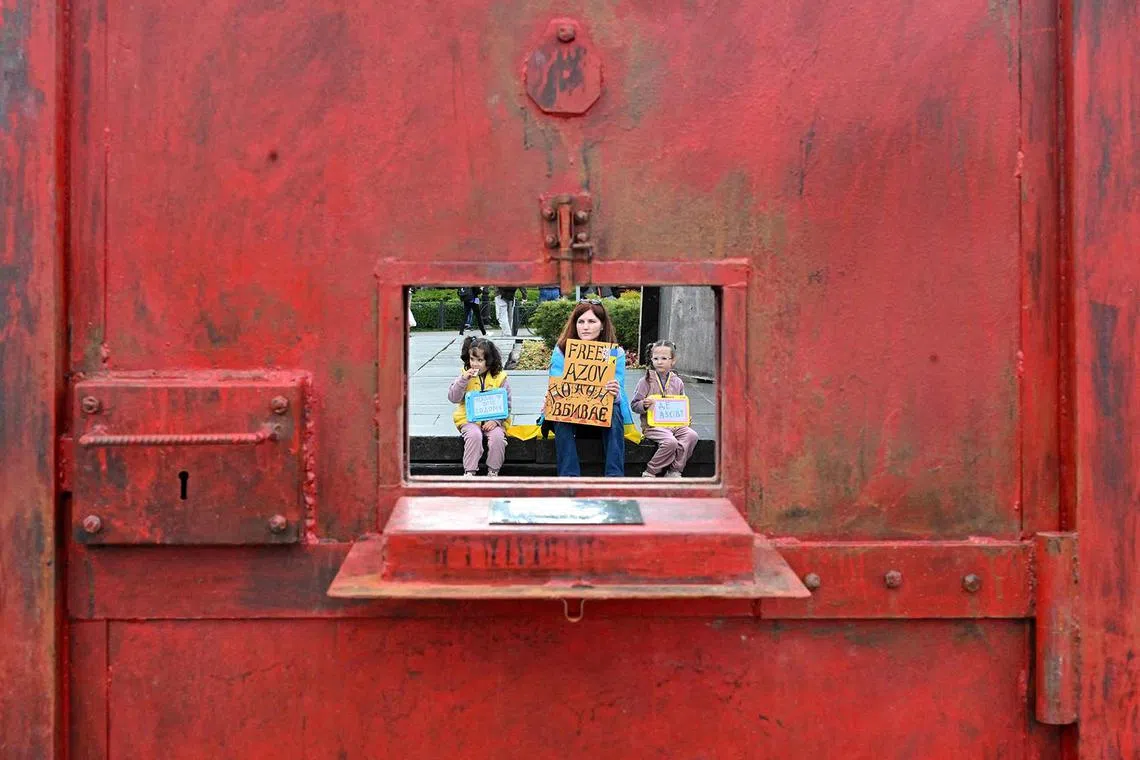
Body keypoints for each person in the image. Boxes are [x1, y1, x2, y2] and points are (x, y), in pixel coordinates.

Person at [544, 301, 641, 476]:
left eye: (592, 321)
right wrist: (554, 394)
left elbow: (619, 393)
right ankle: (569, 477)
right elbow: (556, 382)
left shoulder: (615, 353)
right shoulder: (561, 350)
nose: (585, 327)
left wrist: (615, 392)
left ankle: (615, 477)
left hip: (601, 416)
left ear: (602, 325)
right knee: (560, 414)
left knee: (615, 409)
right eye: (580, 322)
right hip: (570, 415)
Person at [630, 340, 699, 478]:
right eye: (656, 358)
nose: (659, 362)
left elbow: (682, 403)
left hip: (675, 425)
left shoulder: (677, 382)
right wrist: (644, 404)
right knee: (670, 442)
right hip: (653, 426)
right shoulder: (645, 381)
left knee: (692, 435)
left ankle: (675, 470)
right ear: (651, 359)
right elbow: (634, 405)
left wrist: (685, 417)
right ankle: (651, 471)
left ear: (672, 361)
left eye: (664, 358)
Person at [447, 337, 511, 476]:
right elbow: (453, 397)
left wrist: (496, 421)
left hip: (493, 420)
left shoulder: (500, 378)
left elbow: (507, 404)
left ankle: (493, 471)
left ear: (489, 361)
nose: (475, 364)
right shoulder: (464, 376)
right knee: (474, 435)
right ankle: (469, 472)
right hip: (469, 420)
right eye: (472, 359)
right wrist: (463, 380)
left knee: (498, 438)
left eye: (480, 360)